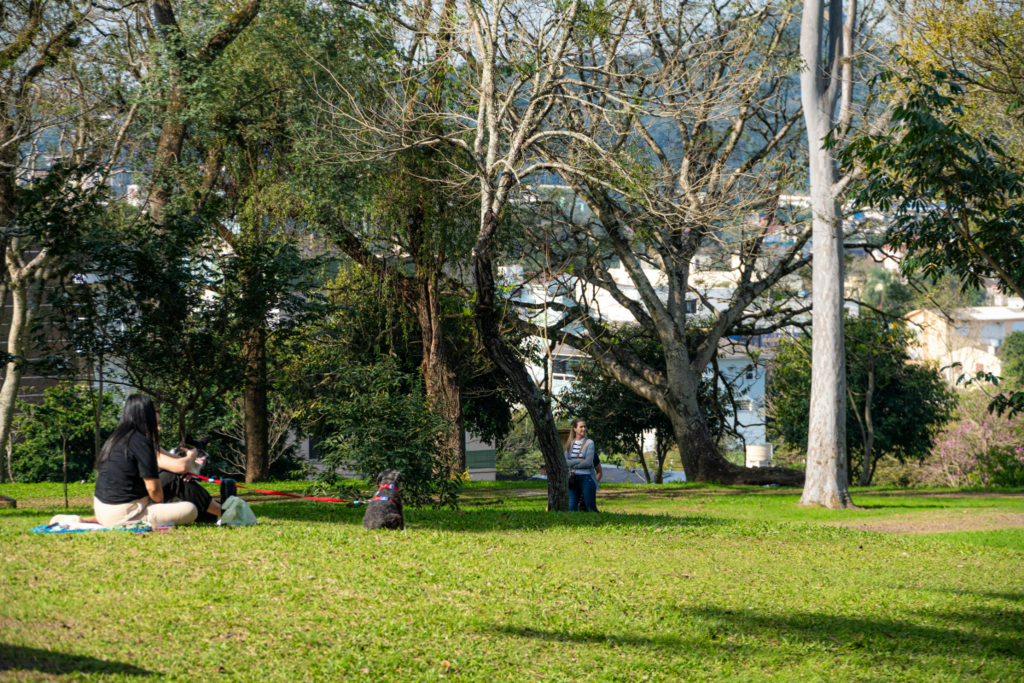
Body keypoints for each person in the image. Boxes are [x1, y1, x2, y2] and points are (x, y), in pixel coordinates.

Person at [93, 394, 202, 528]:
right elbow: (153, 488)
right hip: (125, 513)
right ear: (146, 419)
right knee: (190, 510)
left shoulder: (114, 439)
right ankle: (220, 513)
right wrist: (159, 507)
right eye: (155, 423)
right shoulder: (140, 441)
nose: (159, 429)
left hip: (101, 510)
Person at [564, 418, 598, 512]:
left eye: (584, 426)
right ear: (575, 429)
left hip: (586, 478)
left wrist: (572, 464)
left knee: (590, 508)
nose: (584, 428)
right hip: (572, 479)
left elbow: (588, 462)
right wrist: (578, 461)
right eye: (581, 426)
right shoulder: (570, 443)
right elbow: (564, 462)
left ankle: (599, 524)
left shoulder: (589, 442)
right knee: (571, 509)